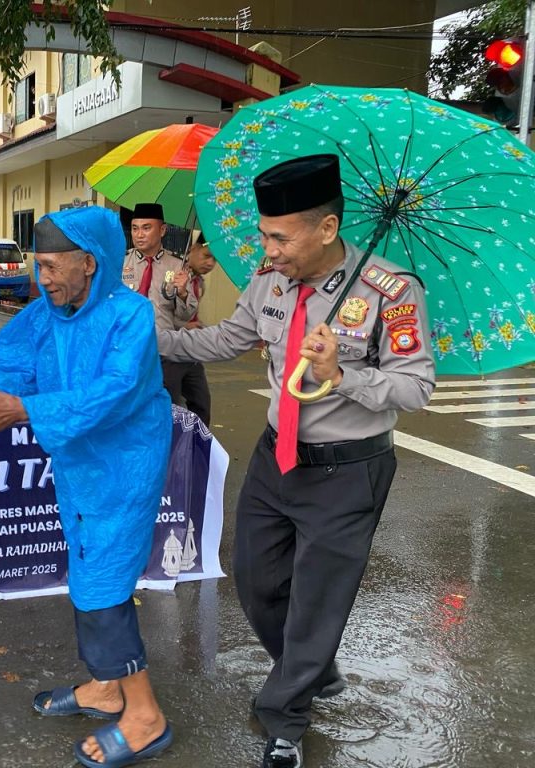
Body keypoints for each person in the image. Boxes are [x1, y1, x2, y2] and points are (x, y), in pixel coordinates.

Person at [157, 154, 435, 768]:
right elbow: (228, 338)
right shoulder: (271, 280)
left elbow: (416, 388)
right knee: (256, 580)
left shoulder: (390, 291)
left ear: (327, 228)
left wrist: (342, 374)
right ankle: (313, 667)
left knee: (317, 600)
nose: (268, 249)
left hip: (348, 470)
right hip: (276, 455)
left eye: (279, 237)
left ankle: (285, 716)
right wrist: (152, 338)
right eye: (265, 234)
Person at [0, 206, 173, 768]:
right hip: (78, 462)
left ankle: (145, 716)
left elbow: (116, 391)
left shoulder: (130, 314)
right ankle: (107, 688)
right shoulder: (43, 317)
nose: (44, 277)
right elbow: (5, 376)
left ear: (90, 263)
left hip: (125, 463)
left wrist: (27, 410)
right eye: (39, 265)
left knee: (103, 581)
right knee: (87, 569)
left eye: (54, 266)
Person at [121, 203, 203, 420]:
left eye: (146, 228)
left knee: (167, 408)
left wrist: (183, 293)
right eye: (135, 228)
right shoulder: (121, 263)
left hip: (164, 351)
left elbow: (185, 316)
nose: (139, 234)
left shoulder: (177, 266)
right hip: (130, 349)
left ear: (163, 230)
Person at [165, 232, 217, 424]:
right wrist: (185, 326)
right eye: (207, 256)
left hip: (191, 352)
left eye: (215, 260)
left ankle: (198, 441)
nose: (210, 263)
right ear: (193, 249)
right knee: (171, 406)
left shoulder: (199, 282)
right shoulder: (172, 274)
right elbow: (160, 313)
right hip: (170, 352)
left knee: (201, 404)